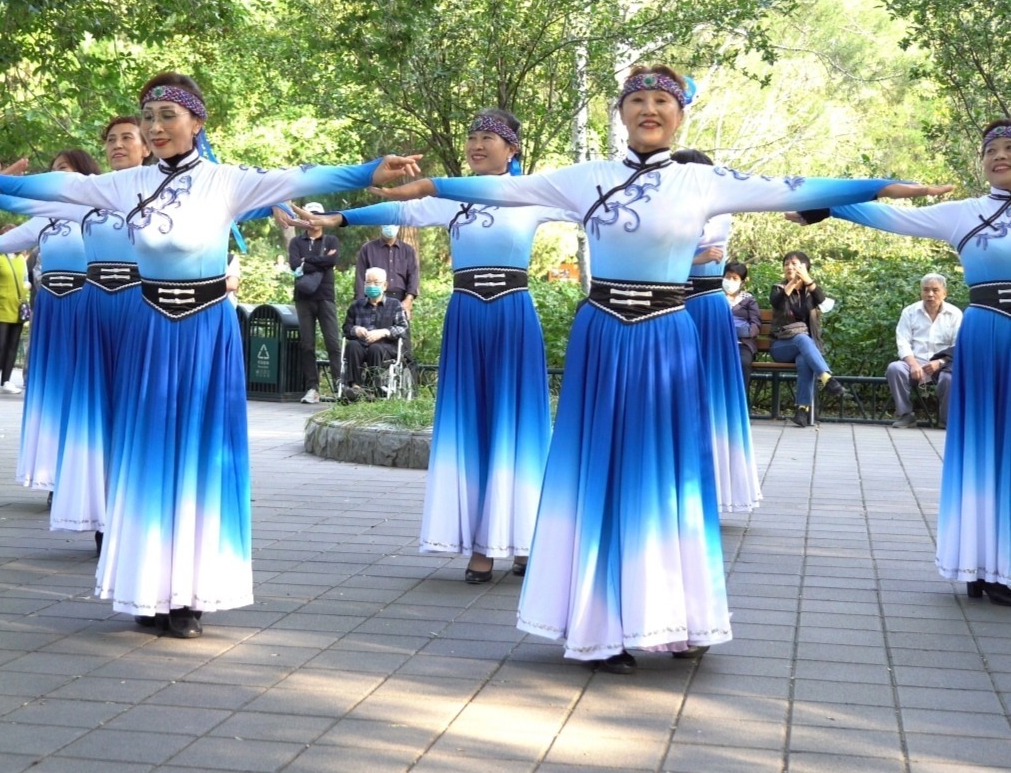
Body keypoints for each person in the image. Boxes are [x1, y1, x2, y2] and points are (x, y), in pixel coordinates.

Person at [370, 62, 947, 672]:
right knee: (603, 473)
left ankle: (681, 615)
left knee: (674, 474)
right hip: (602, 333)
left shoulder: (705, 182)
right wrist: (429, 188)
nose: (649, 108)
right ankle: (600, 628)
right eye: (636, 99)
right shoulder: (585, 177)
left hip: (669, 336)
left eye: (661, 101)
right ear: (620, 113)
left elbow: (798, 186)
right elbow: (504, 190)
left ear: (680, 115)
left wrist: (883, 185)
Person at [0, 71, 420, 638]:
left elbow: (302, 175)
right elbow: (59, 190)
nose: (154, 128)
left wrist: (372, 171)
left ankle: (191, 597)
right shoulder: (125, 185)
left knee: (198, 457)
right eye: (147, 118)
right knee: (145, 454)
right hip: (149, 331)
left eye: (167, 117)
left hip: (205, 331)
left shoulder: (227, 181)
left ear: (198, 122)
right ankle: (146, 588)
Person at [314, 109, 566, 582]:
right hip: (467, 314)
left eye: (488, 137)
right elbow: (398, 210)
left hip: (513, 315)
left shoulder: (532, 195)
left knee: (519, 424)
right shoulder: (451, 197)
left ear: (512, 149)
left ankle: (524, 538)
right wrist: (336, 218)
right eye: (471, 135)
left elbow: (594, 204)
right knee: (472, 425)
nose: (476, 143)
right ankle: (481, 546)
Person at [792, 120, 1011, 604]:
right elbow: (892, 218)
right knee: (986, 447)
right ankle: (982, 563)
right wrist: (821, 204)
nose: (999, 155)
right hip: (991, 331)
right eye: (991, 149)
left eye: (1009, 147)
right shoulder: (968, 213)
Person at [0, 149, 99, 502]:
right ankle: (55, 475)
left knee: (83, 390)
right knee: (53, 390)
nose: (55, 178)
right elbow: (4, 241)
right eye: (52, 171)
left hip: (88, 307)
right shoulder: (45, 217)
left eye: (64, 170)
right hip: (52, 311)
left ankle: (87, 473)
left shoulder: (100, 207)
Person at [675, 149, 760, 514]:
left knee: (711, 396)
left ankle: (711, 487)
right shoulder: (667, 208)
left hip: (705, 306)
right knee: (675, 393)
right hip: (673, 302)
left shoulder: (718, 211)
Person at [769, 250, 845, 427]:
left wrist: (808, 281)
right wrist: (792, 283)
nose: (789, 267)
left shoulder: (811, 293)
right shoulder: (778, 288)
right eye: (786, 264)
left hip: (805, 350)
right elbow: (777, 303)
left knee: (804, 360)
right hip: (781, 346)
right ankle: (827, 378)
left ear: (805, 268)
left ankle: (802, 411)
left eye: (794, 264)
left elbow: (825, 303)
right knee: (802, 339)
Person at [886, 274, 961, 428]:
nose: (930, 294)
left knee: (950, 378)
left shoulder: (955, 314)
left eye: (935, 290)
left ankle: (946, 420)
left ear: (944, 293)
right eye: (926, 290)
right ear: (921, 292)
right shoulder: (910, 312)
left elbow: (959, 345)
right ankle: (906, 415)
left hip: (943, 365)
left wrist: (940, 362)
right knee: (895, 368)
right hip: (915, 362)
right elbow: (903, 341)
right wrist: (913, 364)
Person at [290, 201, 343, 404]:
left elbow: (332, 261)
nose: (313, 220)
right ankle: (312, 387)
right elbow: (295, 264)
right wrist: (319, 260)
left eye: (317, 215)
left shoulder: (331, 240)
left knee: (332, 342)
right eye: (309, 215)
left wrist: (307, 261)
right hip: (303, 296)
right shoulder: (296, 242)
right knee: (307, 344)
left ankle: (339, 383)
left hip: (326, 296)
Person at [340, 267, 409, 396]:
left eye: (376, 283)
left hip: (385, 347)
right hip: (361, 345)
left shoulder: (395, 305)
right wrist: (356, 330)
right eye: (368, 282)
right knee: (353, 346)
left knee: (375, 348)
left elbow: (403, 328)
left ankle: (373, 388)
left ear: (385, 286)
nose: (372, 286)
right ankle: (356, 387)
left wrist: (384, 332)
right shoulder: (356, 305)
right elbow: (346, 328)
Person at [0, 233, 31, 396]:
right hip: (0, 306)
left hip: (17, 306)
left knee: (12, 346)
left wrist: (27, 286)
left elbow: (25, 279)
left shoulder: (21, 259)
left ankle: (6, 381)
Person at [354, 222, 419, 316]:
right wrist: (361, 304)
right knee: (372, 330)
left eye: (393, 223)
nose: (390, 226)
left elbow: (413, 276)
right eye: (387, 223)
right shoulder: (367, 249)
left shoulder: (408, 250)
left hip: (400, 300)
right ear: (381, 225)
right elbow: (360, 278)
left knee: (399, 330)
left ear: (399, 225)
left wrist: (408, 300)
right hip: (373, 299)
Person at [723, 261, 763, 392]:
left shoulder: (748, 299)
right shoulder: (715, 298)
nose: (730, 281)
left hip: (742, 344)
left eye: (735, 278)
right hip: (719, 343)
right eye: (728, 277)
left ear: (742, 282)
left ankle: (741, 405)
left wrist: (744, 332)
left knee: (743, 363)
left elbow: (756, 323)